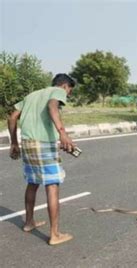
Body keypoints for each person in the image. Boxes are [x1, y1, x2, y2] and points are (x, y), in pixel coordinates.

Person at [8, 74, 76, 246]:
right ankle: (55, 234)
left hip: (28, 143)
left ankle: (29, 222)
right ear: (64, 85)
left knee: (32, 182)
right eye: (69, 90)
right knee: (52, 186)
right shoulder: (57, 91)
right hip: (44, 144)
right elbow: (52, 106)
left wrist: (14, 143)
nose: (68, 95)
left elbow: (12, 117)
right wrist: (63, 133)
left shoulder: (32, 95)